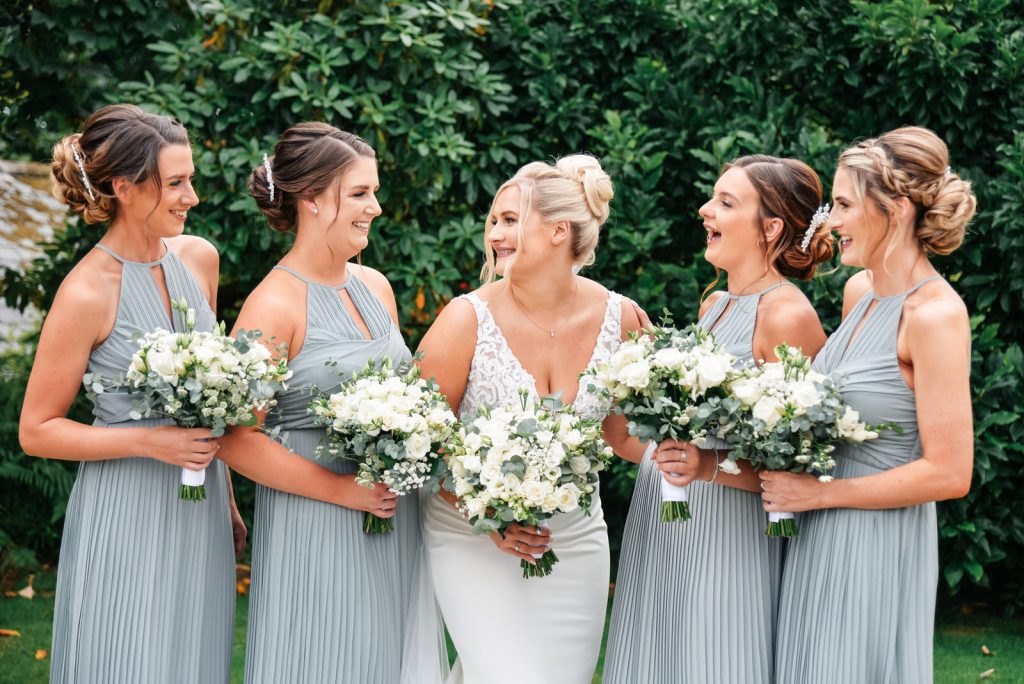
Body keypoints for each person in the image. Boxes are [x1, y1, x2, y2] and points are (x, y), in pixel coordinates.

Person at [217, 122, 445, 684]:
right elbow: (236, 438)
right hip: (315, 524)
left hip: (390, 521)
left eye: (374, 192)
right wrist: (344, 491)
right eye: (361, 193)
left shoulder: (376, 286)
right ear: (312, 199)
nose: (377, 207)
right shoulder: (272, 306)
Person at [18, 103, 236, 683]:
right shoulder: (87, 291)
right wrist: (148, 442)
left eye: (191, 179)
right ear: (123, 187)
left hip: (202, 506)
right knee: (125, 658)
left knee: (194, 658)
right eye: (176, 183)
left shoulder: (199, 259)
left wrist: (231, 504)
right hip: (126, 511)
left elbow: (210, 399)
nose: (192, 196)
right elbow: (37, 430)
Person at [604, 154, 834, 683]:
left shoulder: (786, 312)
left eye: (726, 203)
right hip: (669, 518)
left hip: (728, 534)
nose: (706, 210)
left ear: (770, 228)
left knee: (715, 658)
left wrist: (708, 465)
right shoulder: (718, 305)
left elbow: (804, 464)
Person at [417, 155, 646, 683]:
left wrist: (711, 465)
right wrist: (488, 512)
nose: (495, 233)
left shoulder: (623, 318)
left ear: (559, 231)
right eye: (494, 221)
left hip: (574, 538)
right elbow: (420, 441)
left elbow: (628, 434)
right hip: (470, 535)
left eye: (510, 220)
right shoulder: (464, 319)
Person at [766, 127, 975, 683]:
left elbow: (951, 471)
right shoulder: (859, 293)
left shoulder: (934, 316)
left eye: (843, 205)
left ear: (898, 209)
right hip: (818, 527)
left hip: (876, 540)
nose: (829, 221)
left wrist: (821, 493)